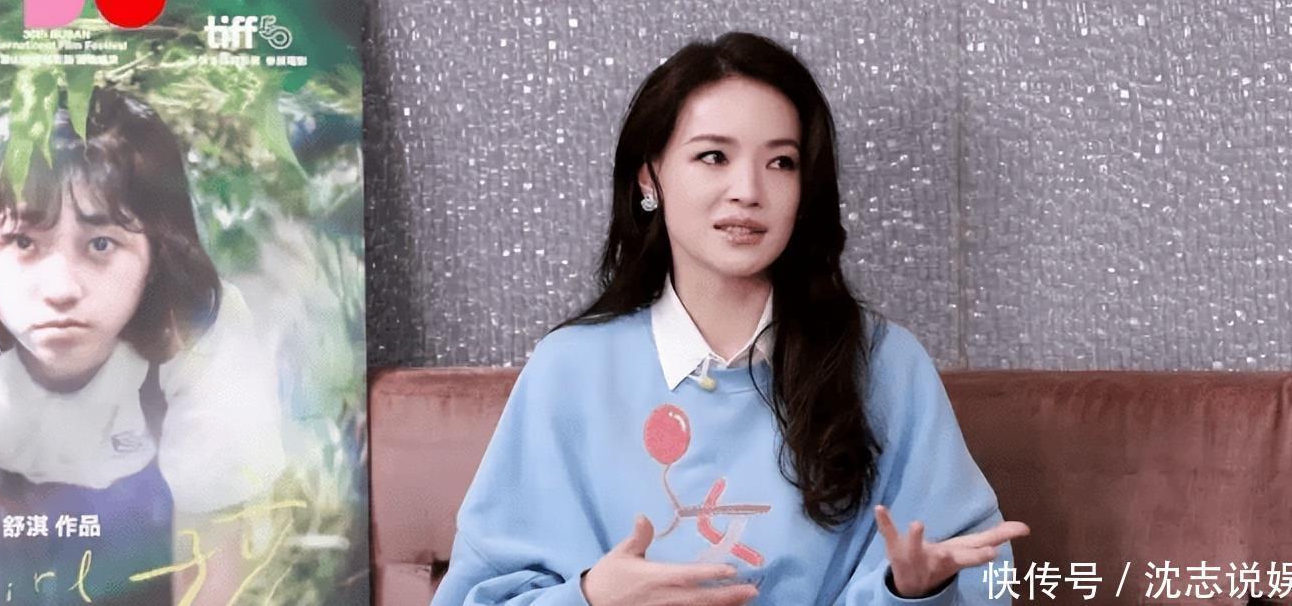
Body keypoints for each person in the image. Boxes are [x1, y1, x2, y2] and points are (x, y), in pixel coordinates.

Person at [433, 32, 1028, 605]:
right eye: (713, 156)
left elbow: (978, 571)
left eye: (782, 163)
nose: (747, 190)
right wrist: (592, 598)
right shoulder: (570, 370)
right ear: (650, 176)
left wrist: (914, 595)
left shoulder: (884, 364)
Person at [0, 86, 285, 604]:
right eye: (24, 242)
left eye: (100, 244)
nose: (61, 289)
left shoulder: (199, 330)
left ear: (157, 253)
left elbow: (213, 550)